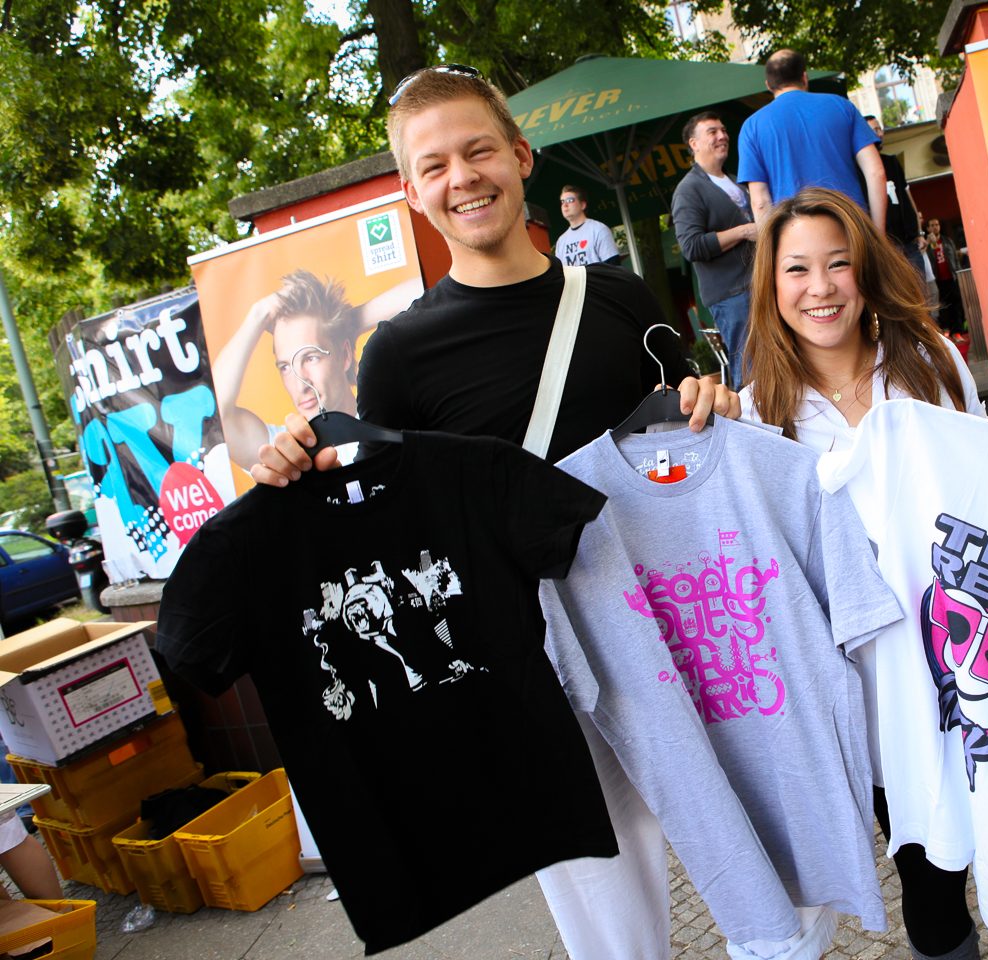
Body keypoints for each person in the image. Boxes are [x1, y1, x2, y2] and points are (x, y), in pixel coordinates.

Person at [252, 64, 736, 960]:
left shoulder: (623, 300)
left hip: (680, 623)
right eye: (433, 165)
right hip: (534, 662)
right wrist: (295, 469)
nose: (461, 177)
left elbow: (692, 446)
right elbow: (389, 524)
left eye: (479, 151)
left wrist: (716, 406)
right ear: (412, 191)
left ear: (521, 157)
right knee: (611, 917)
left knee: (749, 845)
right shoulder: (397, 353)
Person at [737, 187, 988, 960]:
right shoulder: (754, 411)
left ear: (866, 272)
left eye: (839, 264)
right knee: (927, 878)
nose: (821, 287)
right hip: (868, 688)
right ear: (772, 288)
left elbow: (985, 491)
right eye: (797, 270)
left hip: (966, 647)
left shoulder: (929, 363)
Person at [213, 271, 422, 471]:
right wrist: (259, 313)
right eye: (285, 367)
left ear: (345, 355)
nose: (300, 385)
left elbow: (426, 290)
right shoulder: (284, 455)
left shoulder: (392, 417)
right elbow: (215, 414)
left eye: (311, 357)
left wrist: (344, 327)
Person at [737, 49, 888, 232]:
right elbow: (876, 172)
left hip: (795, 237)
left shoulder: (751, 127)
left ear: (769, 85)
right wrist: (878, 234)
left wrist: (770, 254)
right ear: (804, 77)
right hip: (851, 228)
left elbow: (760, 201)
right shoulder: (842, 106)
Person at [672, 111, 758, 387]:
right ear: (693, 143)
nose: (722, 136)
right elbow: (691, 246)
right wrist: (745, 230)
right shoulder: (688, 190)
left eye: (723, 130)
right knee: (751, 373)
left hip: (760, 283)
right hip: (732, 296)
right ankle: (753, 429)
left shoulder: (735, 180)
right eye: (712, 132)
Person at [864, 115, 926, 283]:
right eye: (875, 130)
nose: (881, 133)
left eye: (880, 129)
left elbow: (908, 198)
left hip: (909, 243)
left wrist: (919, 232)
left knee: (922, 298)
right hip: (884, 248)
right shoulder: (856, 170)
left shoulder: (892, 162)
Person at [554, 185, 622, 266]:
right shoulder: (561, 241)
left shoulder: (599, 229)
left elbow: (614, 266)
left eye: (570, 200)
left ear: (582, 205)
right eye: (562, 202)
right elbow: (560, 273)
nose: (565, 205)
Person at [925, 218, 963, 334]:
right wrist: (927, 242)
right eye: (932, 225)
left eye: (937, 224)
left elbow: (955, 260)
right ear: (928, 228)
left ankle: (958, 331)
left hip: (951, 278)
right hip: (937, 280)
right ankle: (944, 330)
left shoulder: (947, 241)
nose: (935, 227)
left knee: (955, 306)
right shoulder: (927, 244)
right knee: (941, 307)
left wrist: (958, 274)